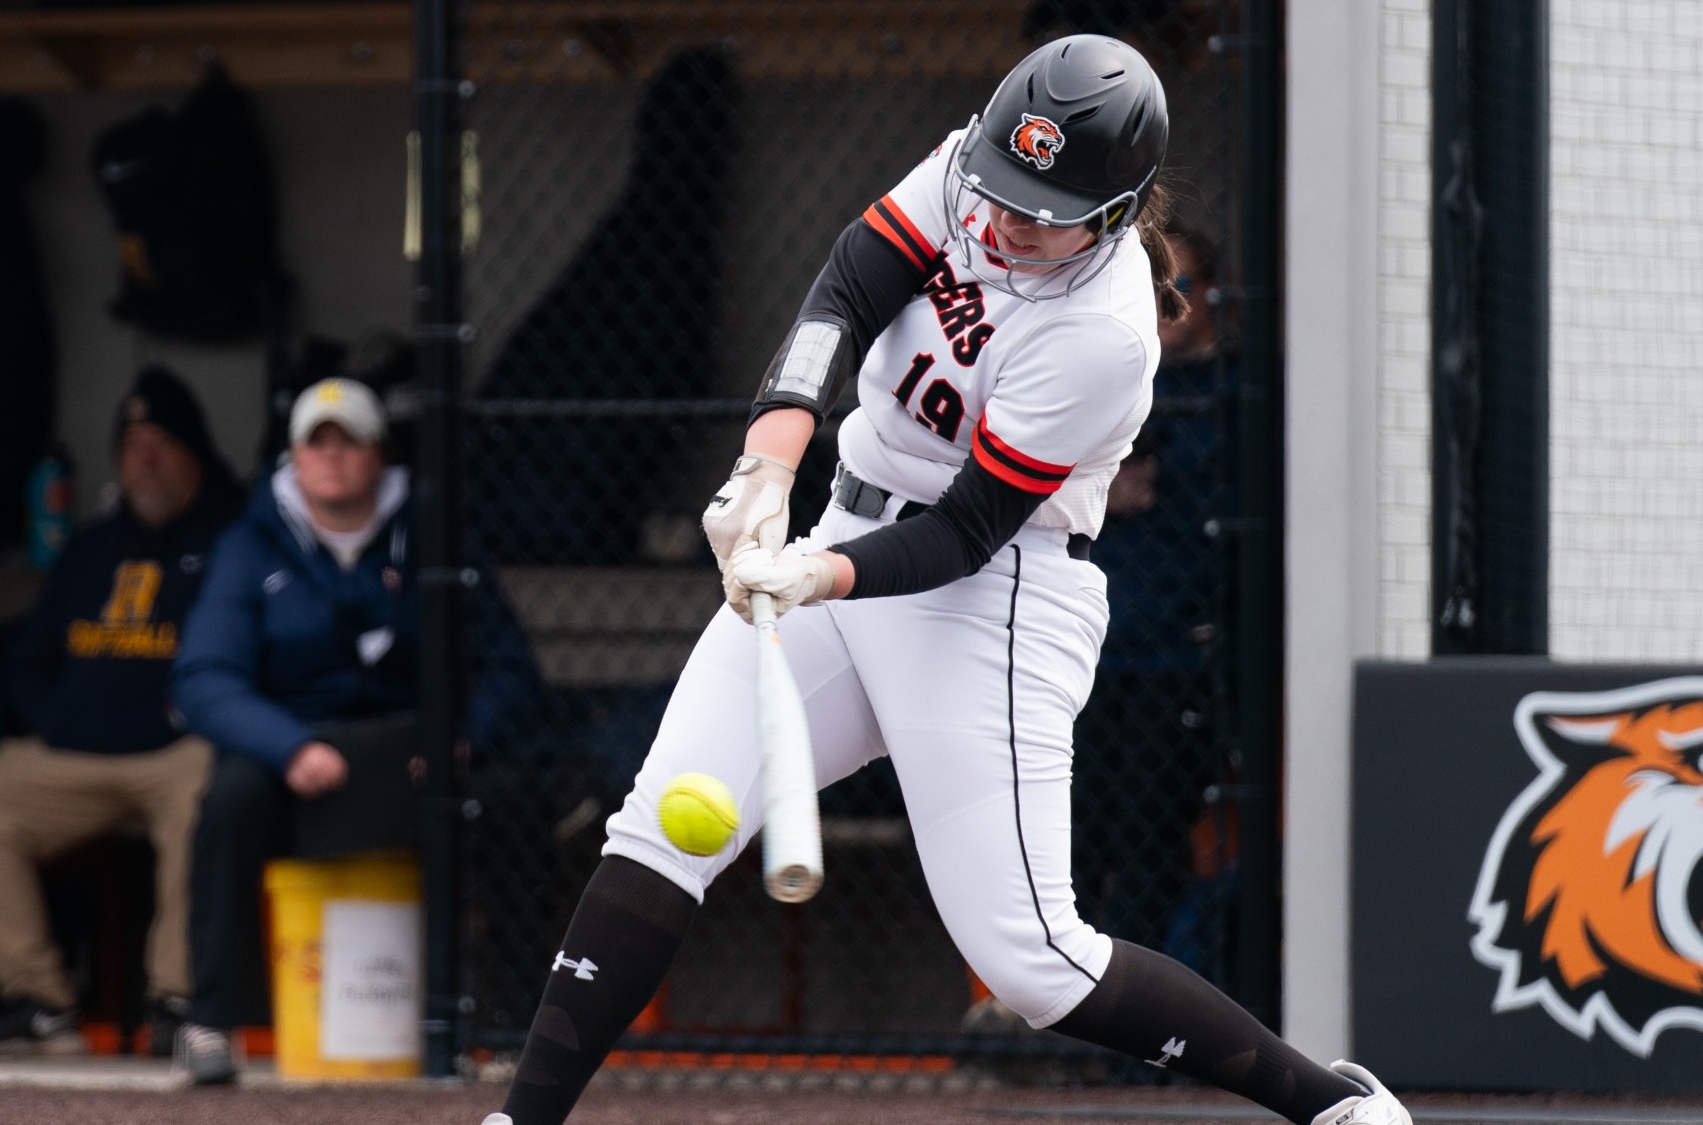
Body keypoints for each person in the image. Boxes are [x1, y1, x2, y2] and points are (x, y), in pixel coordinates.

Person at [479, 36, 1410, 1125]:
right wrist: (768, 462)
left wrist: (815, 573)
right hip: (842, 530)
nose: (1007, 221)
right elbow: (845, 287)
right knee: (662, 828)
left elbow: (965, 529)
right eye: (1003, 189)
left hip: (987, 604)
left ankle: (1332, 1107)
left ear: (1116, 210)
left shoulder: (1101, 336)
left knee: (1036, 967)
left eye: (1046, 208)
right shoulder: (974, 165)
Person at [169, 377, 534, 1085]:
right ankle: (210, 1024)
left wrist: (465, 737)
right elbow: (203, 677)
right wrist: (287, 746)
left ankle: (517, 1030)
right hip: (299, 748)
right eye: (317, 441)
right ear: (295, 457)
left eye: (350, 441)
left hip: (415, 750)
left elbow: (510, 665)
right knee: (228, 801)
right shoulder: (250, 542)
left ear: (379, 455)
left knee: (513, 793)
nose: (332, 457)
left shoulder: (436, 533)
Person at [0, 366, 244, 1055]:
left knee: (207, 794)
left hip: (176, 750)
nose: (145, 459)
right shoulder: (91, 547)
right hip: (76, 751)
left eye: (161, 441)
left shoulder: (233, 536)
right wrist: (55, 720)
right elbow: (29, 661)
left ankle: (176, 1001)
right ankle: (39, 1001)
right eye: (132, 445)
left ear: (196, 451)